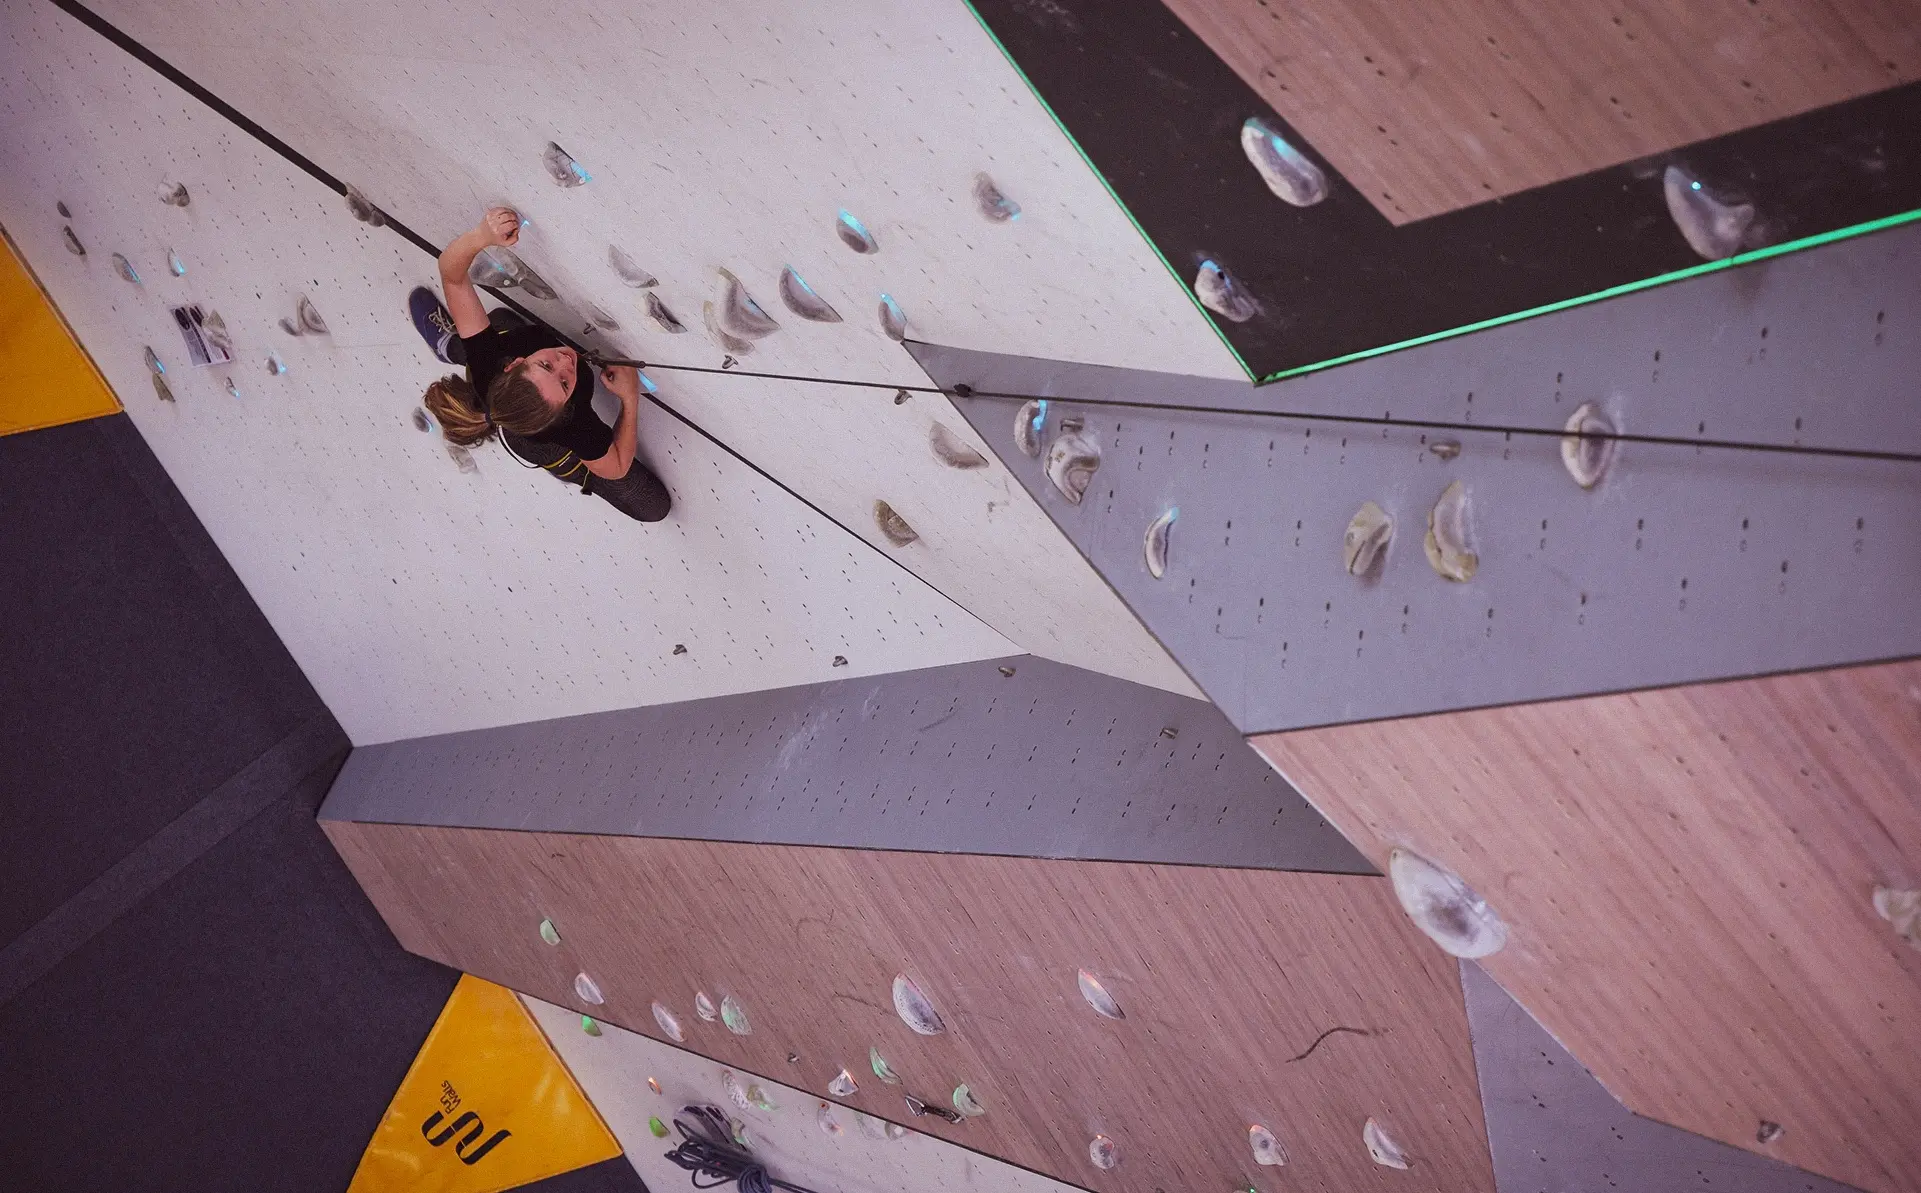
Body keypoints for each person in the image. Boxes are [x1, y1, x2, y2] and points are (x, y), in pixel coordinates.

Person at [416, 208, 670, 522]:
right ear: (563, 409)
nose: (566, 362)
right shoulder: (575, 427)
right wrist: (629, 399)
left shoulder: (489, 361)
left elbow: (452, 275)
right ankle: (574, 470)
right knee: (654, 508)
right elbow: (616, 467)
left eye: (546, 365)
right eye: (565, 383)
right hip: (542, 444)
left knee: (497, 322)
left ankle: (453, 346)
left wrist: (481, 236)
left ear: (513, 364)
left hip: (493, 364)